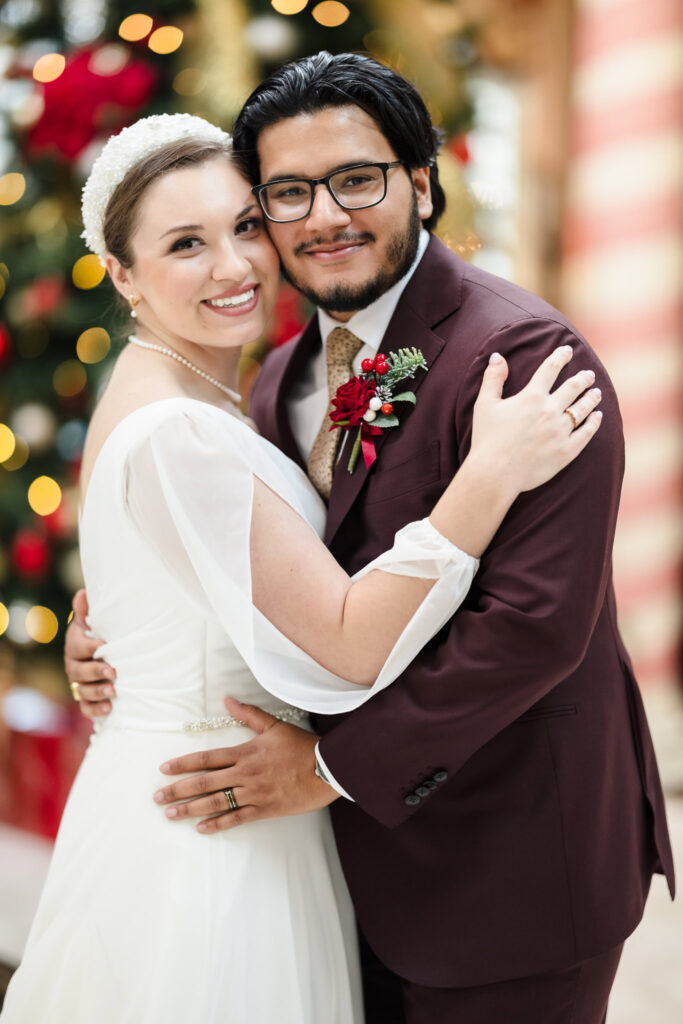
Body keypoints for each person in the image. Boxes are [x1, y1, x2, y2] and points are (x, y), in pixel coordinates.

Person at [62, 54, 674, 1023]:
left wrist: (324, 770)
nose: (322, 217)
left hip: (503, 870)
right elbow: (248, 558)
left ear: (420, 182)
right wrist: (120, 633)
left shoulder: (525, 364)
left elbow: (532, 629)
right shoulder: (273, 379)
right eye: (287, 195)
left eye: (355, 178)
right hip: (340, 875)